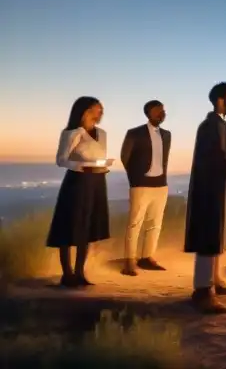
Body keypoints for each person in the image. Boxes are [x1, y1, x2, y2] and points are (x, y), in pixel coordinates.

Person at [184, 82, 226, 314]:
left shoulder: (217, 124)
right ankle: (203, 290)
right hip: (209, 190)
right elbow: (211, 161)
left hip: (216, 187)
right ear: (221, 100)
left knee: (215, 235)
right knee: (208, 237)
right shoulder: (211, 126)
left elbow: (217, 157)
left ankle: (215, 281)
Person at [47, 96, 112, 287]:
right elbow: (61, 160)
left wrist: (102, 166)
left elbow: (100, 157)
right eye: (97, 109)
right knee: (69, 225)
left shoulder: (102, 133)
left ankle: (80, 272)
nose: (100, 113)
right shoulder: (72, 133)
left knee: (88, 226)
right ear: (85, 111)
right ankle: (67, 274)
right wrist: (82, 165)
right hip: (77, 182)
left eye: (101, 110)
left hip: (97, 182)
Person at [120, 99, 171, 276]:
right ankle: (129, 262)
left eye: (163, 110)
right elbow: (125, 157)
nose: (162, 113)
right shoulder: (134, 133)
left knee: (155, 224)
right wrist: (135, 180)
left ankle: (147, 258)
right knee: (134, 224)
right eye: (158, 110)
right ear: (148, 113)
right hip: (140, 185)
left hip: (161, 185)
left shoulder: (167, 134)